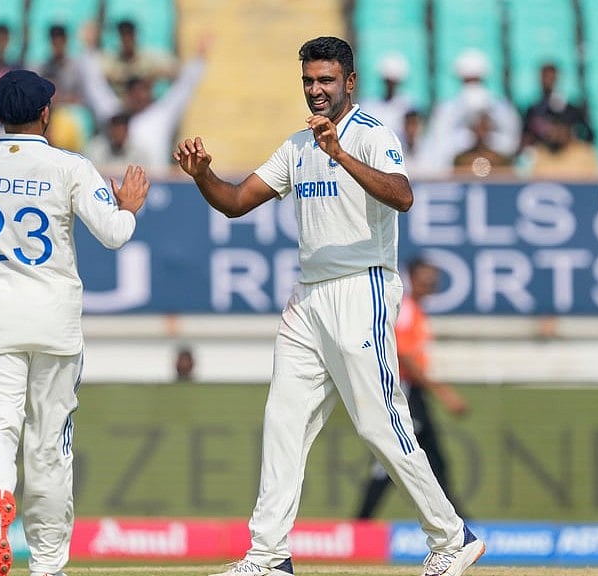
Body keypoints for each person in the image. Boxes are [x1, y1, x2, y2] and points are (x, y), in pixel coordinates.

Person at [174, 36, 485, 576]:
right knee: (283, 421)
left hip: (361, 288)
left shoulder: (371, 134)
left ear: (350, 82)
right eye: (309, 81)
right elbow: (236, 203)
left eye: (326, 81)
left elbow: (403, 195)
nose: (316, 91)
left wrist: (338, 153)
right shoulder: (296, 145)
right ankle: (269, 555)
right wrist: (203, 174)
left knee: (379, 424)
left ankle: (452, 536)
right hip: (309, 295)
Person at [0, 69, 149, 576]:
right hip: (54, 322)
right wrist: (130, 208)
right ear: (46, 114)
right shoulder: (69, 165)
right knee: (50, 445)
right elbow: (114, 234)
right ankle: (48, 566)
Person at [356, 257, 469, 520]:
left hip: (414, 393)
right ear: (412, 277)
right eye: (425, 277)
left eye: (434, 277)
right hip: (403, 391)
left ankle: (457, 521)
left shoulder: (417, 311)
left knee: (436, 460)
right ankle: (360, 524)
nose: (431, 283)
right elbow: (404, 354)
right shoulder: (405, 308)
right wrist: (444, 393)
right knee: (391, 459)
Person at [80, 25, 207, 169]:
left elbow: (182, 90)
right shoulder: (112, 112)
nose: (140, 97)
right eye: (135, 93)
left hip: (156, 185)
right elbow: (95, 86)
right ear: (127, 95)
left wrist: (199, 59)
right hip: (113, 185)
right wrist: (89, 50)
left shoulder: (159, 115)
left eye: (144, 92)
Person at [424, 48, 520, 171]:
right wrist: (469, 139)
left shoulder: (500, 107)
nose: (472, 86)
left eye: (476, 80)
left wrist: (486, 140)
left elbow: (511, 144)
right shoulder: (447, 109)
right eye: (468, 80)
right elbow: (439, 147)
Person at [519, 62, 594, 152]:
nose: (548, 82)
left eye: (551, 78)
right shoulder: (532, 111)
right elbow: (525, 137)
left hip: (568, 154)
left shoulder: (571, 110)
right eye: (545, 78)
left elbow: (588, 134)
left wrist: (567, 134)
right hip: (543, 155)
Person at [102, 19, 177, 99]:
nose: (126, 39)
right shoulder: (111, 60)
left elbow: (174, 70)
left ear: (135, 35)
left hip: (145, 107)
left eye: (129, 34)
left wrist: (152, 77)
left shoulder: (148, 57)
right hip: (120, 107)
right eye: (123, 35)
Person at [359, 52, 415, 143]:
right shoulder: (369, 105)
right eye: (388, 81)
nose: (391, 85)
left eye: (394, 81)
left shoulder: (408, 106)